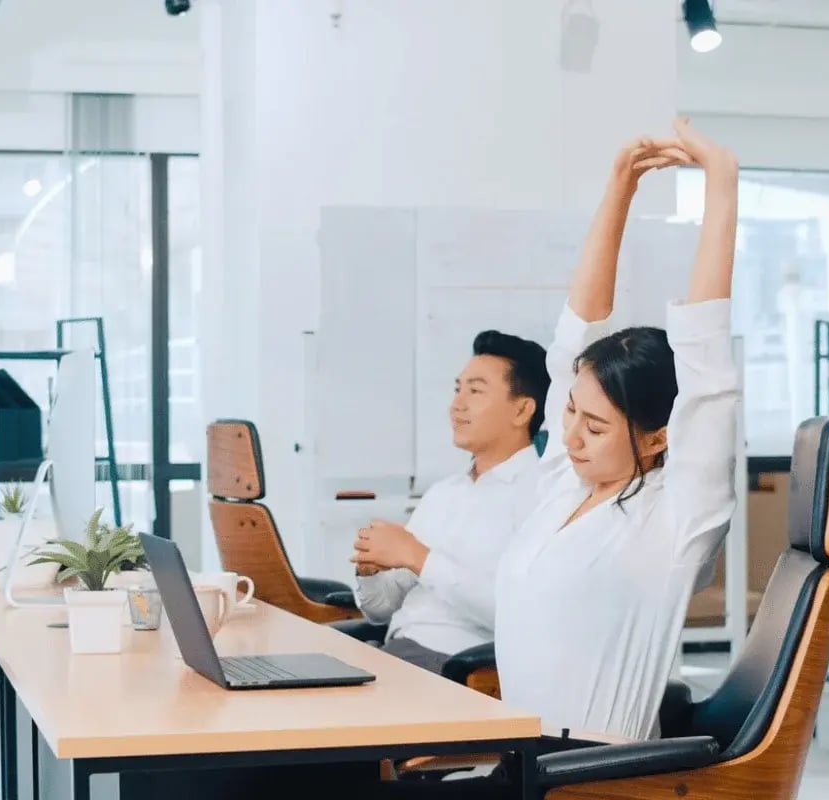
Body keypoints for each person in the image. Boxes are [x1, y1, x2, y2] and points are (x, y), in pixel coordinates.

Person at [297, 116, 740, 800]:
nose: (570, 437)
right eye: (569, 413)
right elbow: (575, 336)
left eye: (595, 425)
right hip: (517, 760)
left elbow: (707, 369)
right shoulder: (564, 487)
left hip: (584, 779)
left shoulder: (675, 521)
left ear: (657, 437)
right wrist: (619, 186)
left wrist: (722, 181)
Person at [347, 330, 550, 673]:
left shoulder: (541, 496)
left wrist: (417, 557)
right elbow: (380, 610)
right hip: (395, 653)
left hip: (453, 667)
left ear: (522, 410)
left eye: (475, 391)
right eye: (458, 389)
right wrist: (369, 572)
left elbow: (519, 616)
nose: (457, 405)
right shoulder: (443, 494)